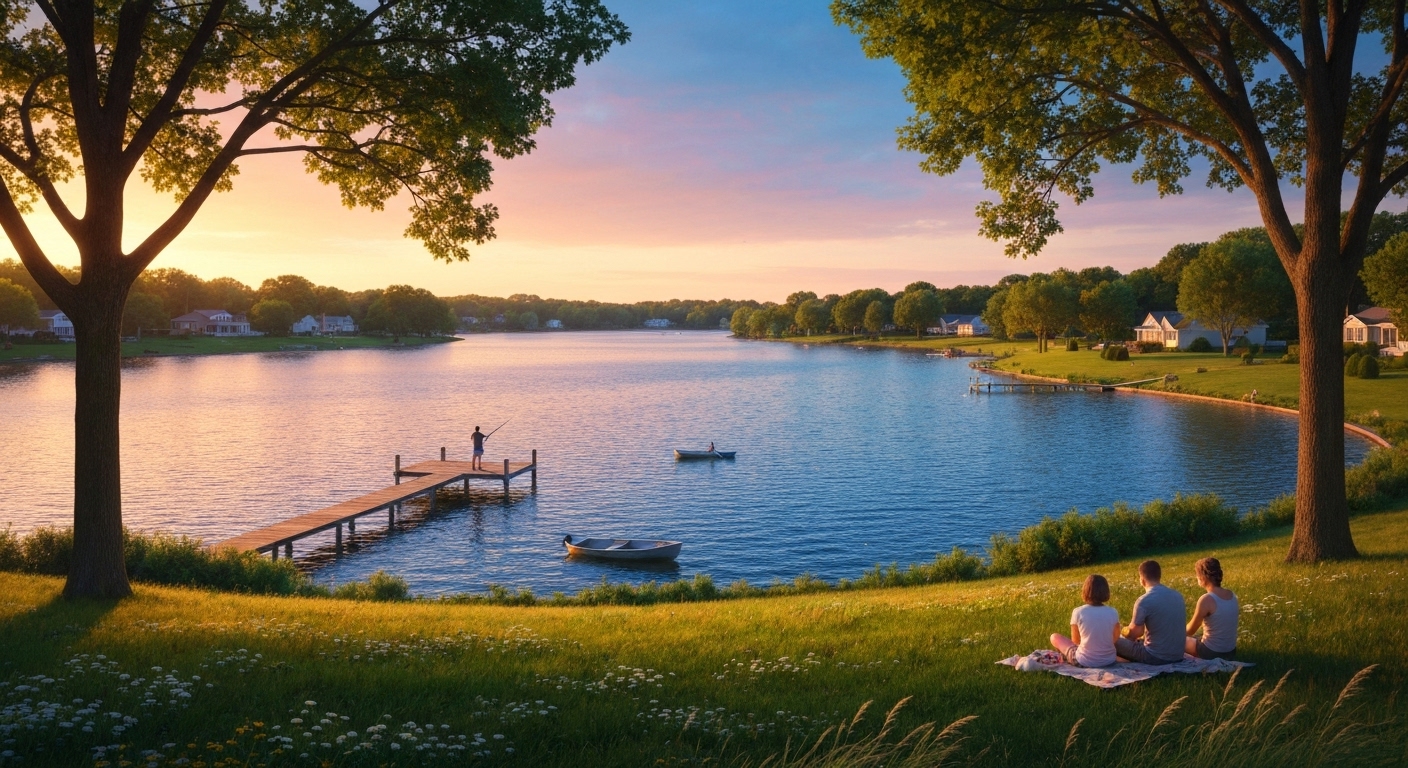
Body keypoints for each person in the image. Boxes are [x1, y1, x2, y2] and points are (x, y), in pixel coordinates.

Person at [1114, 560, 1187, 665]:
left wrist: (1123, 631)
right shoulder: (1178, 596)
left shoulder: (1144, 601)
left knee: (1111, 639)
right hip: (1178, 655)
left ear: (1142, 580)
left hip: (1155, 657)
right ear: (1159, 576)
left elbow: (1135, 633)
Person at [1050, 574, 1120, 667]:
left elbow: (1075, 641)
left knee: (1054, 637)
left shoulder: (1078, 612)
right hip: (1109, 660)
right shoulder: (1113, 612)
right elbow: (1115, 638)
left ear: (1085, 591)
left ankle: (1064, 656)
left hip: (1084, 661)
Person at [1185, 557, 1239, 659]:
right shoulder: (1232, 595)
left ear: (1202, 577)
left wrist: (1173, 633)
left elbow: (1190, 630)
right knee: (1197, 637)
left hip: (1211, 652)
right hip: (1231, 652)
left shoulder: (1206, 599)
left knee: (1177, 641)